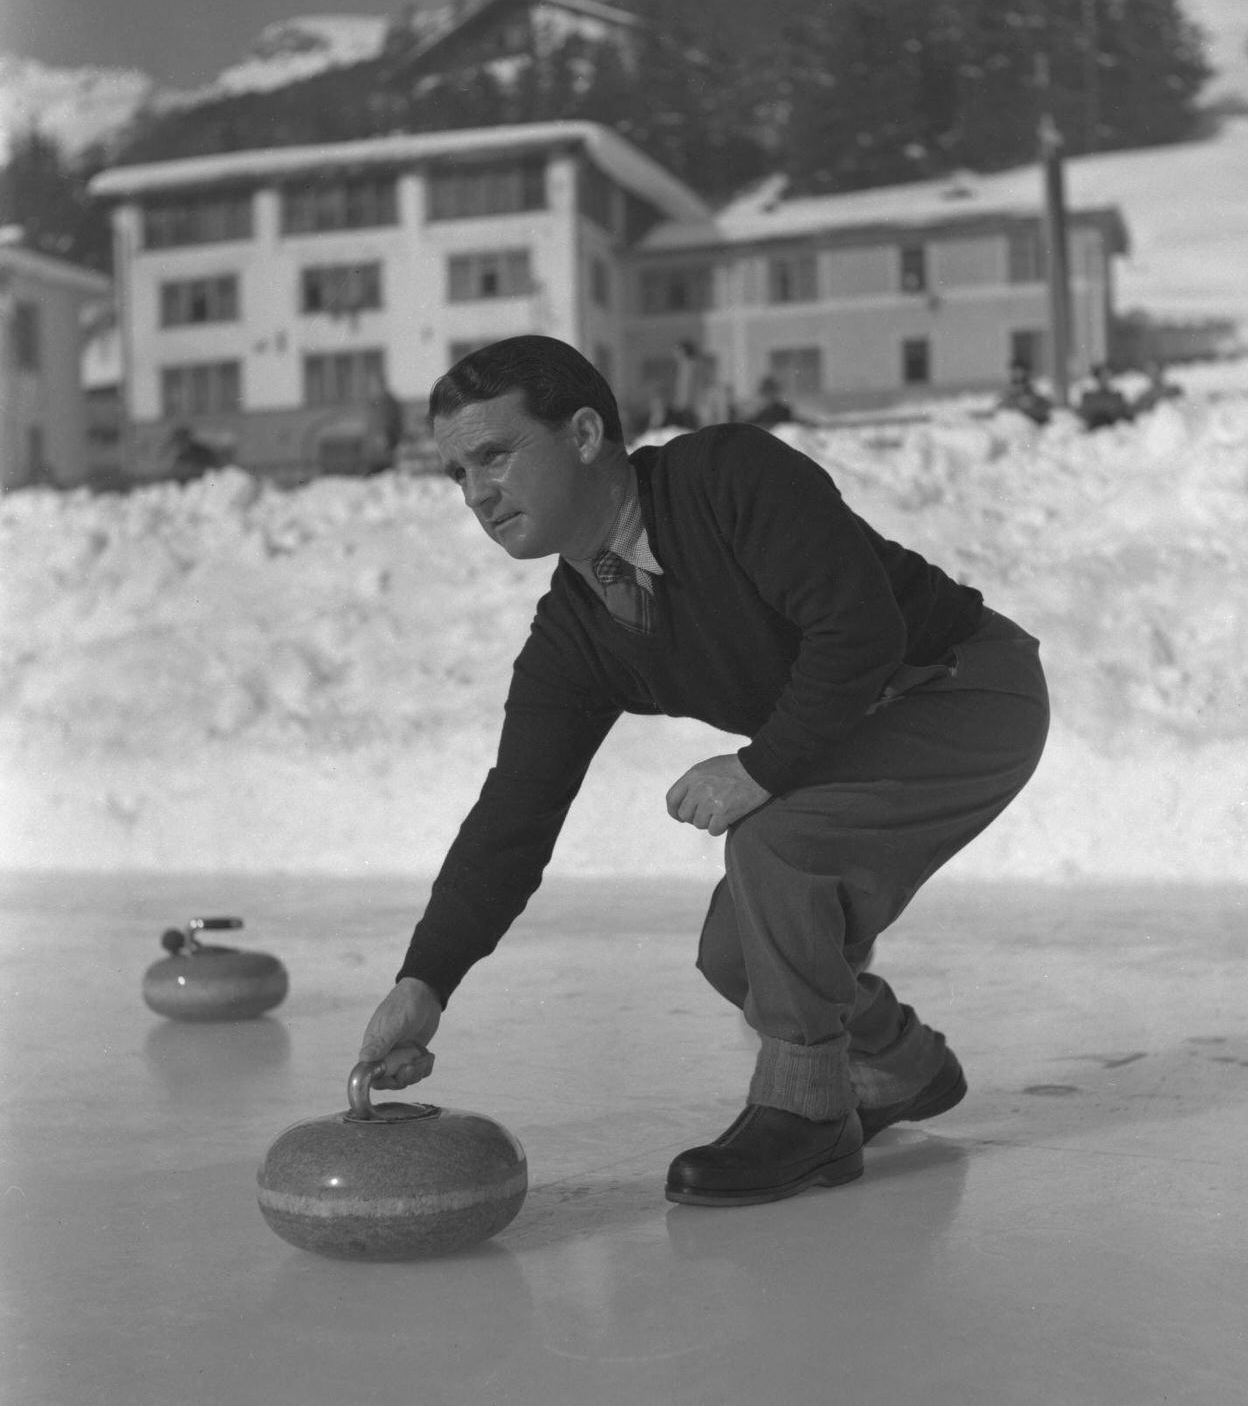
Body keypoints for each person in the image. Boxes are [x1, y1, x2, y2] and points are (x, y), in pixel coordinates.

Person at [356, 336, 1050, 1208]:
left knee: (779, 841)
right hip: (849, 730)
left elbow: (859, 630)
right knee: (739, 955)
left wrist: (763, 767)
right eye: (457, 474)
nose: (478, 494)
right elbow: (513, 816)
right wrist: (426, 981)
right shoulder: (573, 637)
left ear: (581, 433)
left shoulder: (726, 477)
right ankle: (898, 1066)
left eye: (495, 454)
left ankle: (807, 1117)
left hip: (964, 687)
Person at [1076, 363, 1133, 431]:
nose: (1105, 379)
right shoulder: (1089, 398)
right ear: (1097, 378)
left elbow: (1126, 415)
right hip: (1094, 434)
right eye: (1103, 377)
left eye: (1107, 376)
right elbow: (1083, 416)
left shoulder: (1116, 397)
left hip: (1113, 433)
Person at [996, 361, 1051, 426]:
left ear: (1027, 372)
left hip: (1027, 422)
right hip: (1010, 421)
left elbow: (1041, 408)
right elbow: (1000, 406)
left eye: (1020, 371)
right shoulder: (1006, 392)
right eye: (1015, 371)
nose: (1018, 374)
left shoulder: (1034, 392)